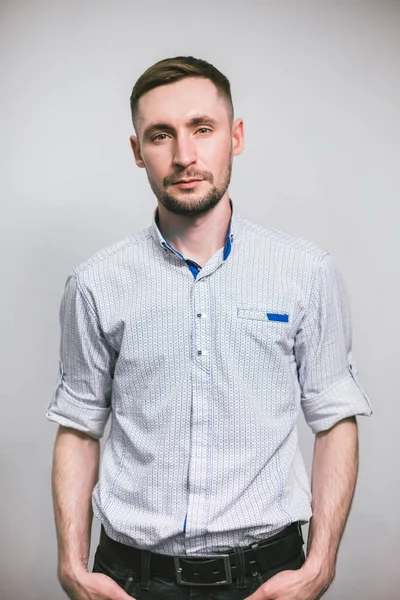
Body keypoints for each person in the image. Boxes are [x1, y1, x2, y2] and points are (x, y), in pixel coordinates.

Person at [46, 56, 372, 600]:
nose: (184, 155)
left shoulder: (305, 273)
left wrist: (321, 564)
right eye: (160, 135)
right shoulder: (95, 284)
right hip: (131, 580)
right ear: (137, 151)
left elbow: (335, 416)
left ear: (235, 136)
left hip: (267, 577)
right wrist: (72, 567)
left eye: (202, 128)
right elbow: (79, 425)